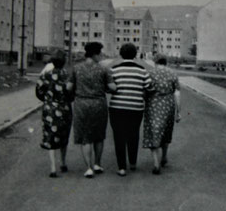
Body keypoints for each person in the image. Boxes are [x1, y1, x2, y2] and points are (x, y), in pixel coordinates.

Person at [70, 42, 116, 178]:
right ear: (95, 54)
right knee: (98, 135)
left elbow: (68, 87)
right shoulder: (104, 69)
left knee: (86, 137)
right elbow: (113, 87)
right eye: (100, 53)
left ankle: (88, 168)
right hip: (98, 104)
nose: (101, 56)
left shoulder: (76, 68)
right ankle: (97, 164)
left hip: (81, 104)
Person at [109, 43, 153, 177]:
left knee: (119, 136)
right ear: (135, 54)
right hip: (136, 107)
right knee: (133, 134)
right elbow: (149, 88)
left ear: (121, 54)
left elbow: (109, 87)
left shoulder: (113, 70)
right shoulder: (142, 70)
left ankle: (122, 167)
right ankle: (133, 162)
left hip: (117, 107)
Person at [35, 49, 74, 178]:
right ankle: (63, 163)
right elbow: (72, 94)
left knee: (50, 136)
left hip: (49, 110)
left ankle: (52, 168)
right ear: (64, 62)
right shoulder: (68, 75)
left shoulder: (46, 75)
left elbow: (39, 92)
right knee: (64, 135)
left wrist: (48, 100)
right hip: (65, 109)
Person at [143, 54, 181, 175]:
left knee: (154, 132)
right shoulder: (173, 73)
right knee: (166, 131)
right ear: (166, 62)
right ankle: (164, 157)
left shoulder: (150, 73)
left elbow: (145, 91)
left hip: (153, 105)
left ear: (155, 62)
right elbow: (177, 93)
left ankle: (156, 163)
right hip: (169, 105)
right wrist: (178, 112)